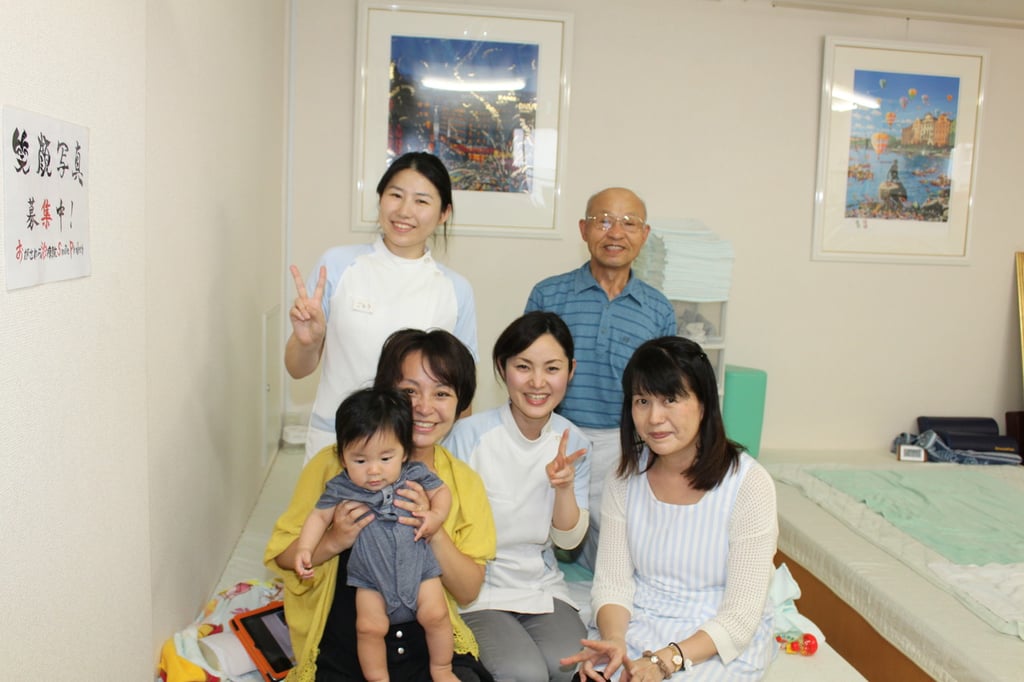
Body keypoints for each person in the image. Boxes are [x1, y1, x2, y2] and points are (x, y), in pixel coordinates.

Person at [266, 329, 497, 682]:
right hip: (348, 646)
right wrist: (334, 539)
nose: (423, 407)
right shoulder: (334, 466)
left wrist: (432, 528)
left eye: (441, 393)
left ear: (460, 404)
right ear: (386, 394)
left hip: (428, 646)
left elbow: (468, 590)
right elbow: (284, 556)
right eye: (409, 391)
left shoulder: (462, 483)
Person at [560, 336, 777, 681]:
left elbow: (740, 616)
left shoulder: (749, 484)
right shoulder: (624, 477)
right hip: (640, 620)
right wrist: (614, 640)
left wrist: (665, 661)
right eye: (642, 401)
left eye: (670, 399)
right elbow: (613, 583)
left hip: (715, 637)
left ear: (704, 402)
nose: (654, 417)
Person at [287, 151, 478, 463]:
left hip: (414, 450)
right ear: (380, 199)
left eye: (421, 201)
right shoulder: (337, 265)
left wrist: (456, 464)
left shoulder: (456, 290)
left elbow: (461, 392)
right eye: (396, 195)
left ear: (444, 213)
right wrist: (307, 341)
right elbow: (297, 369)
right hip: (337, 442)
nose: (404, 211)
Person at [524, 187, 676, 570]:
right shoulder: (548, 294)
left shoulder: (658, 310)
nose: (615, 233)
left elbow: (665, 392)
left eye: (629, 223)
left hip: (626, 445)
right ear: (584, 229)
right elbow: (525, 373)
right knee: (537, 543)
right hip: (554, 438)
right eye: (603, 221)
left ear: (644, 234)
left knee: (615, 557)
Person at [444, 311, 591, 681]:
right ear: (502, 368)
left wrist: (564, 488)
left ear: (570, 371)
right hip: (478, 589)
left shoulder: (574, 442)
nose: (537, 382)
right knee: (524, 673)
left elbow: (568, 541)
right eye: (523, 367)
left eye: (552, 369)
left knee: (571, 665)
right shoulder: (467, 437)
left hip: (540, 585)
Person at [292, 387, 456, 682]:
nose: (373, 471)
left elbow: (442, 492)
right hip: (369, 577)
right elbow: (318, 516)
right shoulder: (341, 486)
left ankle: (442, 668)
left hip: (419, 570)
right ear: (343, 457)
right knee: (368, 628)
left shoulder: (414, 474)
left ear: (404, 452)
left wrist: (435, 516)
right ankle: (378, 678)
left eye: (385, 458)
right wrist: (305, 548)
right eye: (360, 460)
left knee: (436, 615)